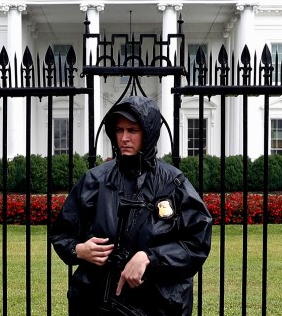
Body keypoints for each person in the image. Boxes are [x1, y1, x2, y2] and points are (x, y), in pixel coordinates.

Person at [50, 96, 213, 315]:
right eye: (119, 130)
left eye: (132, 130)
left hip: (158, 304)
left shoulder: (173, 183)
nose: (124, 138)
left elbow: (197, 242)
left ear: (148, 132)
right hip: (97, 300)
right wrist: (78, 250)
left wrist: (151, 257)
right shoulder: (95, 181)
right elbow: (62, 233)